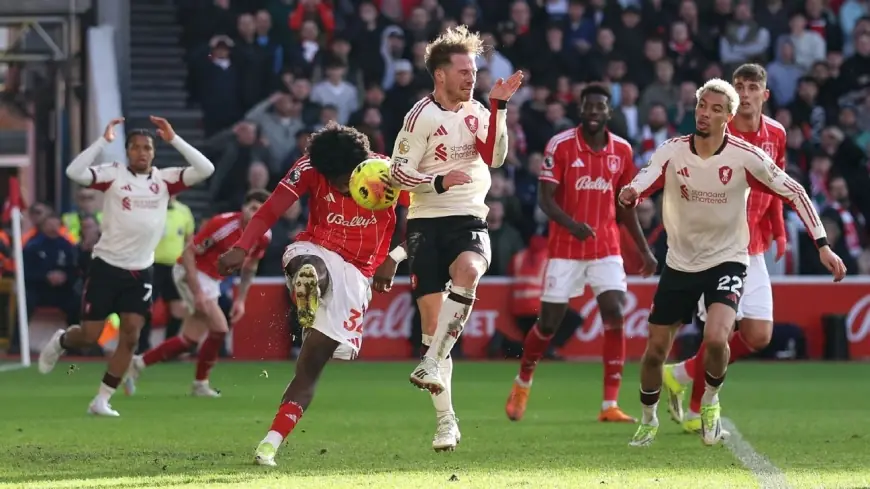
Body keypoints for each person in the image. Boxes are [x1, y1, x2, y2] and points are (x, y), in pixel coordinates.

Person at [618, 78, 845, 447]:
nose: (705, 113)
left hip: (728, 260)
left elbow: (795, 191)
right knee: (654, 352)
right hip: (680, 264)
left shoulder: (744, 156)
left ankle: (709, 401)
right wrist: (632, 191)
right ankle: (648, 419)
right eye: (701, 106)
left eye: (716, 109)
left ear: (730, 116)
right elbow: (642, 179)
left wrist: (822, 244)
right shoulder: (673, 150)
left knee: (716, 337)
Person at [217, 122, 407, 467]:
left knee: (311, 366)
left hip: (359, 273)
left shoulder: (387, 173)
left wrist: (395, 258)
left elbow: (425, 218)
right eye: (332, 180)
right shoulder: (309, 167)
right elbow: (271, 209)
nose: (338, 187)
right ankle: (309, 287)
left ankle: (269, 445)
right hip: (316, 247)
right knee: (310, 266)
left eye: (343, 179)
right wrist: (243, 247)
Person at [386, 24, 521, 452]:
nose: (472, 78)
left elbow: (496, 157)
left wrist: (498, 107)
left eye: (475, 71)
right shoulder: (419, 116)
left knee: (469, 269)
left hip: (469, 217)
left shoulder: (479, 110)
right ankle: (447, 421)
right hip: (426, 221)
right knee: (432, 324)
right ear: (440, 74)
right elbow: (396, 173)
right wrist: (439, 181)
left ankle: (428, 362)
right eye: (464, 71)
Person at [37, 116, 215, 417]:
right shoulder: (114, 175)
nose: (141, 152)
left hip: (141, 270)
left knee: (131, 334)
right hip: (106, 267)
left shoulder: (165, 180)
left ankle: (102, 399)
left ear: (154, 152)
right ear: (127, 151)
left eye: (147, 147)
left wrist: (174, 138)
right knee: (91, 335)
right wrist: (102, 142)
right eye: (134, 147)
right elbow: (74, 171)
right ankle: (63, 340)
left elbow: (206, 169)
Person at [505, 85, 658, 424]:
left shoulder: (622, 150)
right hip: (566, 249)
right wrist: (571, 225)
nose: (593, 112)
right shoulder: (559, 146)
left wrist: (644, 250)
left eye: (599, 107)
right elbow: (546, 200)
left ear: (608, 112)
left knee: (615, 313)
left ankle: (609, 405)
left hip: (606, 248)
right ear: (580, 110)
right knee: (548, 324)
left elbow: (626, 207)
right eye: (588, 107)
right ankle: (522, 382)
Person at [662, 64, 789, 433]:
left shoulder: (777, 134)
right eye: (739, 86)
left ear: (764, 95)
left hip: (754, 247)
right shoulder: (716, 130)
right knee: (719, 332)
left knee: (759, 335)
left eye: (752, 87)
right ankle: (699, 407)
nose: (745, 93)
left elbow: (777, 185)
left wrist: (778, 230)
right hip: (715, 250)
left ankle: (681, 373)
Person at [124, 189, 271, 397]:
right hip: (189, 271)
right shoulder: (223, 225)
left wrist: (241, 300)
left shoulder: (264, 236)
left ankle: (138, 364)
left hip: (211, 280)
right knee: (219, 328)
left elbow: (250, 267)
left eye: (261, 210)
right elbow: (188, 253)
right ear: (243, 208)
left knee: (189, 340)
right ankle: (200, 384)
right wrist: (198, 293)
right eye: (253, 208)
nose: (256, 214)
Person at [135, 195, 196, 355]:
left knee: (178, 308)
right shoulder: (149, 209)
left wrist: (189, 263)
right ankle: (143, 346)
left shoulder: (184, 211)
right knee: (147, 305)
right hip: (152, 265)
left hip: (175, 266)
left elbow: (189, 240)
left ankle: (168, 349)